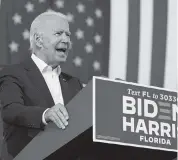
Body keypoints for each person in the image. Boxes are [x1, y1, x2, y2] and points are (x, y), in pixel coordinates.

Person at [0, 11, 83, 159]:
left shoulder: (74, 83)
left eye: (68, 35)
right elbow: (11, 110)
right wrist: (45, 114)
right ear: (38, 40)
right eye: (59, 33)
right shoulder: (13, 73)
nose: (66, 40)